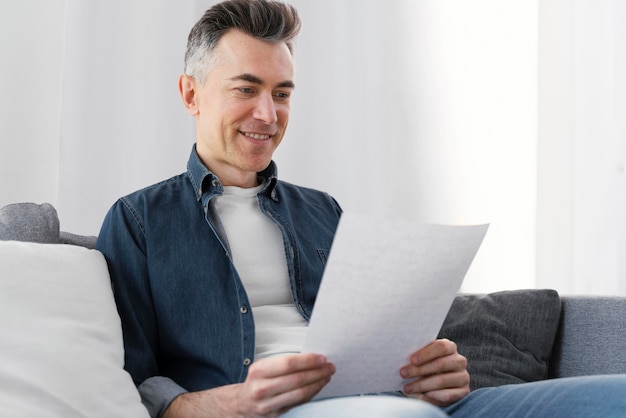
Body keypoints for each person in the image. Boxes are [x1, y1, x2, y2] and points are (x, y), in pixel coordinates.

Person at [96, 1, 626, 417]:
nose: (268, 113)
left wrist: (432, 370)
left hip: (394, 403)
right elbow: (131, 381)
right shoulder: (140, 220)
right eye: (246, 88)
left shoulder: (322, 211)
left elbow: (377, 338)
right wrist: (231, 404)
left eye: (282, 93)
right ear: (191, 93)